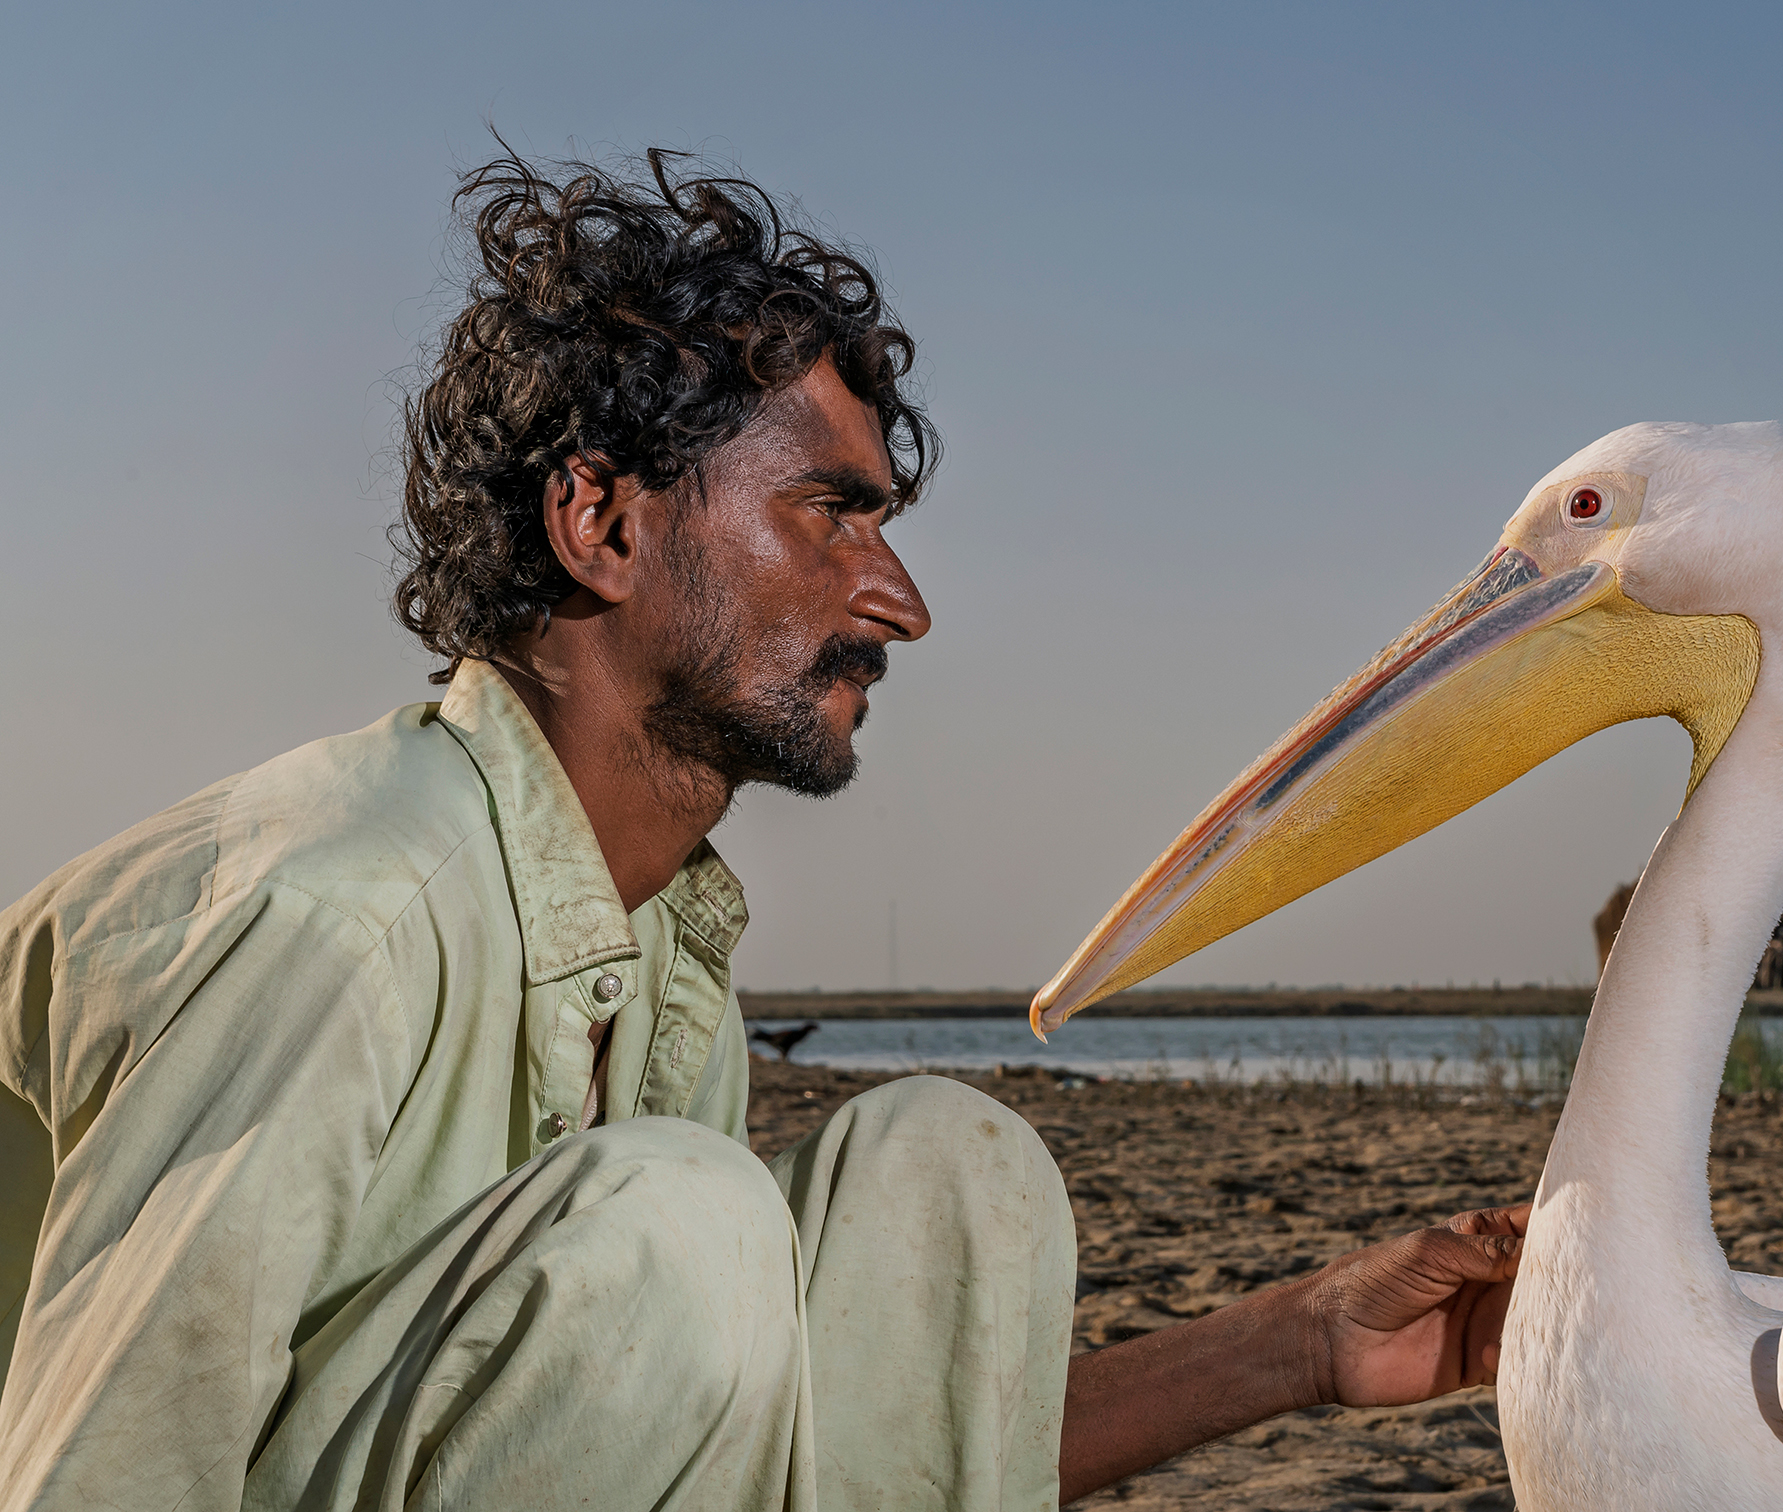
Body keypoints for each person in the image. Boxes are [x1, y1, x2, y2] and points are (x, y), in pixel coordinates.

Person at [0, 148, 1527, 1511]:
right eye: (828, 516)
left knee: (946, 1169)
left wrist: (1307, 1340)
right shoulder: (343, 918)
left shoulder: (660, 946)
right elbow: (100, 1468)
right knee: (685, 1232)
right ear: (603, 524)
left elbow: (857, 1454)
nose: (901, 606)